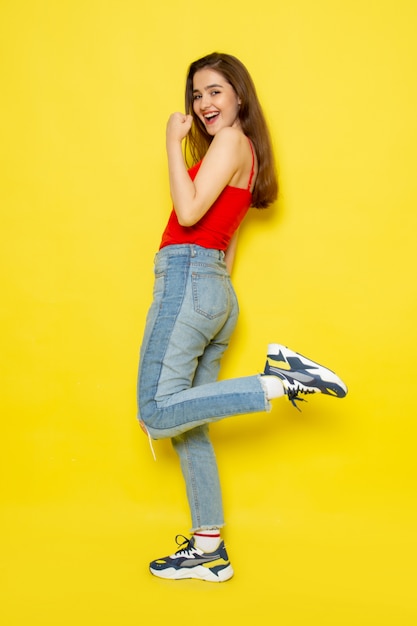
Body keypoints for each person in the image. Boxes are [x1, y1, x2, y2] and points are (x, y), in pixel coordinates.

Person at [137, 52, 347, 583]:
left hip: (188, 281)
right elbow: (225, 239)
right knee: (190, 427)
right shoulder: (244, 152)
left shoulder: (229, 141)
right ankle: (209, 551)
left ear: (238, 96)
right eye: (196, 94)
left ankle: (278, 382)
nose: (203, 103)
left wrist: (169, 141)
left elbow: (188, 215)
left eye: (214, 91)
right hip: (213, 289)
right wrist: (214, 293)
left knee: (155, 411)